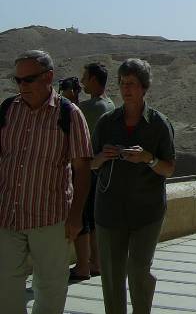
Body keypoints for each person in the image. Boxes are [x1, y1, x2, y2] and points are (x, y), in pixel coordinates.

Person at [0, 50, 92, 314]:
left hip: (50, 218)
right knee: (6, 284)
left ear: (48, 77)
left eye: (28, 79)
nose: (22, 86)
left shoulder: (69, 114)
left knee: (50, 287)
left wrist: (76, 217)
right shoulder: (8, 110)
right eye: (17, 80)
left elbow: (82, 169)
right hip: (8, 215)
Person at [91, 58, 176, 314]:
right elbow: (90, 164)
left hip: (146, 212)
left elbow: (169, 168)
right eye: (122, 83)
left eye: (131, 84)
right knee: (112, 276)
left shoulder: (159, 124)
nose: (125, 89)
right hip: (109, 212)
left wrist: (148, 158)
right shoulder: (106, 122)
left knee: (138, 270)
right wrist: (103, 156)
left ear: (144, 87)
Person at [70, 63, 115, 282]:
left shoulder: (92, 107)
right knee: (94, 218)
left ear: (94, 79)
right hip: (101, 170)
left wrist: (70, 100)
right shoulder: (109, 104)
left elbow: (70, 118)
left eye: (85, 77)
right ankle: (96, 262)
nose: (82, 82)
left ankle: (82, 266)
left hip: (87, 169)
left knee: (81, 215)